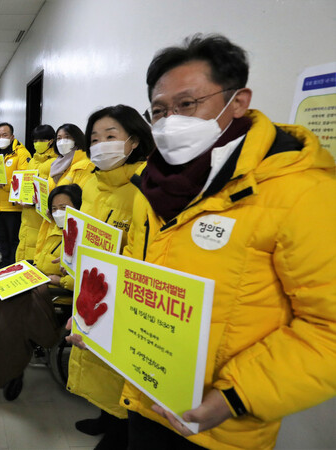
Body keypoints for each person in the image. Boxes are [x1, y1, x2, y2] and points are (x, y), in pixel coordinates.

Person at [116, 34, 335, 449]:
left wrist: (235, 395)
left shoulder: (302, 193)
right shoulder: (152, 184)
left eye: (187, 104)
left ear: (238, 101)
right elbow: (138, 273)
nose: (169, 121)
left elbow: (329, 329)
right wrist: (101, 321)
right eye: (159, 110)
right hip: (146, 394)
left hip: (221, 427)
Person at [66, 104, 155, 449]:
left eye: (111, 136)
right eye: (95, 138)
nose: (101, 144)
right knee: (96, 358)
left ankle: (119, 430)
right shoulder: (91, 182)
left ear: (133, 141)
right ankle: (105, 415)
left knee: (118, 366)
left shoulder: (143, 186)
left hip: (122, 287)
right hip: (91, 282)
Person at [0, 184, 83, 401]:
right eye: (54, 208)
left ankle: (0, 367)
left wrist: (61, 278)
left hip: (57, 292)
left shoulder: (86, 237)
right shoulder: (53, 228)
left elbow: (89, 279)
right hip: (38, 279)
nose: (58, 213)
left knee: (10, 309)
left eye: (64, 207)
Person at [0, 122, 31, 269]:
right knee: (2, 239)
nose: (1, 138)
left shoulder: (22, 154)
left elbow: (24, 181)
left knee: (14, 240)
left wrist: (3, 184)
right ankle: (4, 265)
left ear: (12, 137)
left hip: (14, 207)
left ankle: (12, 268)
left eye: (4, 135)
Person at [15, 124, 57, 262]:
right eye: (35, 141)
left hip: (41, 215)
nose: (37, 143)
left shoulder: (56, 162)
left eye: (41, 140)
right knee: (25, 243)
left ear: (51, 141)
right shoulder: (32, 160)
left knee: (37, 248)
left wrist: (35, 201)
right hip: (27, 213)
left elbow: (53, 190)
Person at [48, 123, 96, 191]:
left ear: (77, 139)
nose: (62, 142)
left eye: (67, 137)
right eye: (59, 138)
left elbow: (82, 196)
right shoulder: (55, 164)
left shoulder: (86, 166)